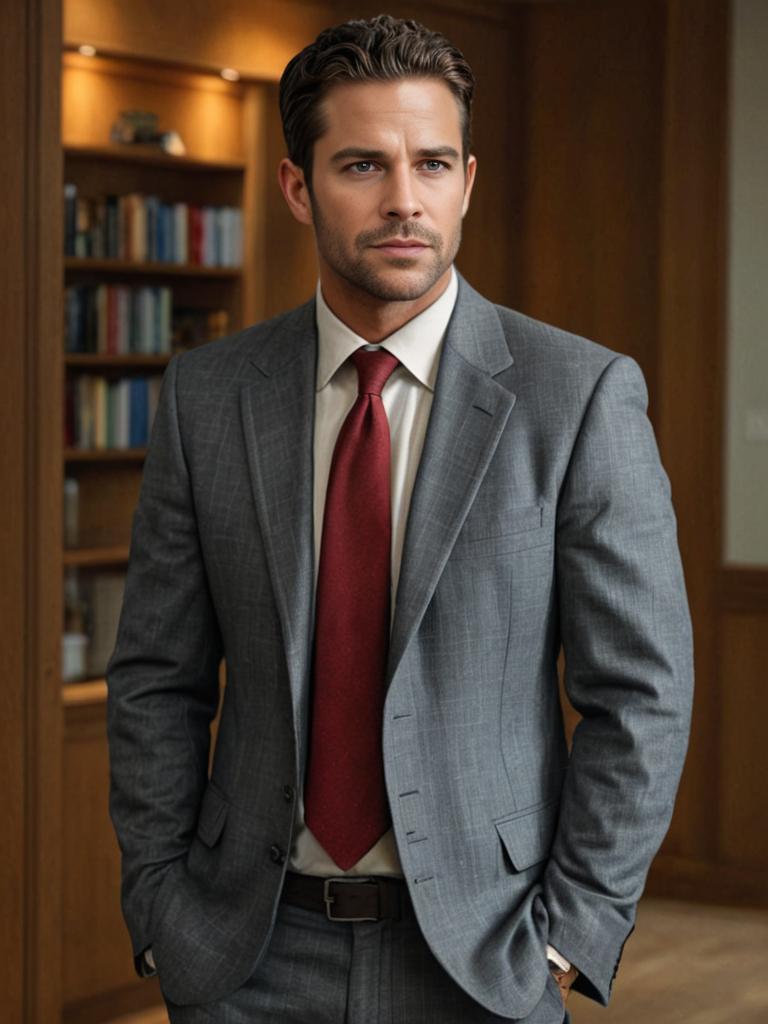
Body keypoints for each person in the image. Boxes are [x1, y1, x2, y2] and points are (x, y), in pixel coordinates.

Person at [107, 14, 694, 1024]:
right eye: (362, 166)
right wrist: (161, 901)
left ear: (466, 178)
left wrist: (571, 926)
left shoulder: (579, 395)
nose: (403, 200)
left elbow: (641, 690)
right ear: (298, 187)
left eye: (430, 163)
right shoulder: (210, 396)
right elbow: (158, 675)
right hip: (246, 950)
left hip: (484, 955)